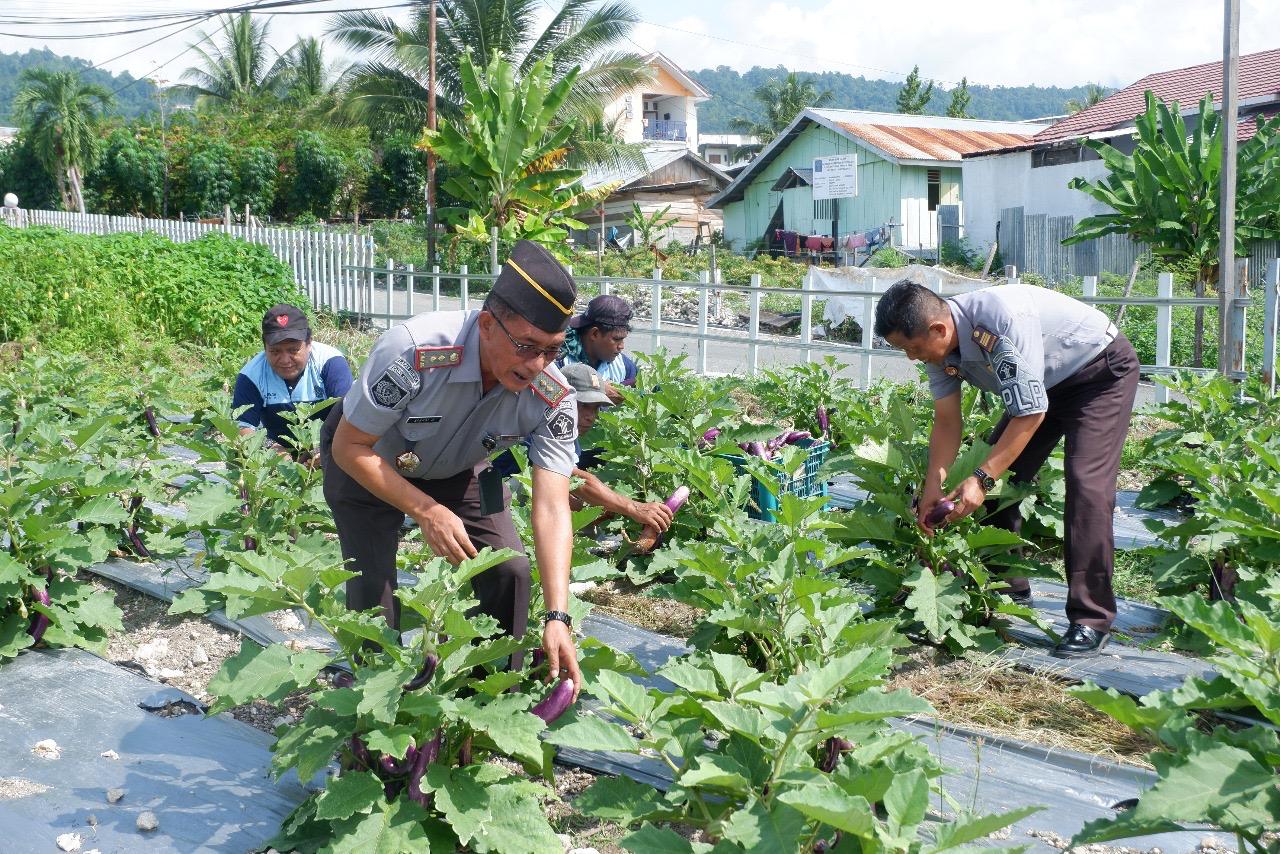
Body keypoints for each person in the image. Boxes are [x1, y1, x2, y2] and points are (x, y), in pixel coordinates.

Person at [320, 240, 582, 693]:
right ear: (486, 325)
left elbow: (554, 507)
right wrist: (425, 510)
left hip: (458, 467)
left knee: (509, 570)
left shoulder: (554, 398)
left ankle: (485, 700)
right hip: (367, 457)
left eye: (552, 351)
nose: (537, 365)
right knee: (374, 589)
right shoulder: (414, 351)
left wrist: (557, 615)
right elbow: (350, 446)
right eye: (526, 346)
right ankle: (370, 716)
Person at [873, 279, 1139, 658]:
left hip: (1098, 373)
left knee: (1087, 488)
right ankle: (1006, 587)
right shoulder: (940, 351)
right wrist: (933, 485)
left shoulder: (998, 321)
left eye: (912, 348)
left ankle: (1091, 619)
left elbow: (1031, 411)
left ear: (938, 329)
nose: (911, 358)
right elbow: (948, 422)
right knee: (1007, 480)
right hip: (1044, 384)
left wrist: (980, 478)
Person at [493, 362, 674, 535]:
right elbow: (574, 480)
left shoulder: (570, 434)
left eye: (596, 408)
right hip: (491, 503)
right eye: (584, 405)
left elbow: (566, 489)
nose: (591, 416)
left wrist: (598, 508)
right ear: (562, 400)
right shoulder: (542, 425)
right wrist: (632, 507)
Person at [232, 303, 353, 457]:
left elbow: (348, 419)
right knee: (238, 456)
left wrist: (321, 450)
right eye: (275, 351)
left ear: (309, 343)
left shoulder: (330, 363)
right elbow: (243, 427)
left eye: (293, 350)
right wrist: (274, 450)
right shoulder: (251, 375)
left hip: (328, 446)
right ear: (264, 347)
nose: (284, 360)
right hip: (275, 452)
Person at [559, 294, 637, 404]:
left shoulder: (623, 366)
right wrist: (597, 390)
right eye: (616, 339)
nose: (621, 346)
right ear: (594, 334)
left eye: (623, 339)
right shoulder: (559, 359)